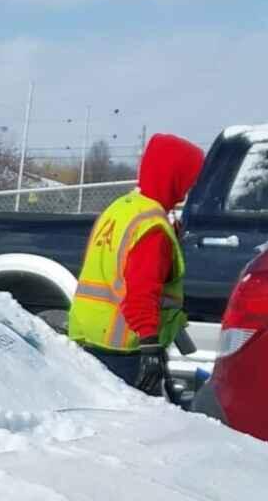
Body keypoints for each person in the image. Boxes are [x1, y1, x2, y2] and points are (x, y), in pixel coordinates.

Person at [67, 132, 205, 395]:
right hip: (125, 351)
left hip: (91, 336)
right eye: (188, 178)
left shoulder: (121, 208)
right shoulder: (151, 228)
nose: (190, 186)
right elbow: (141, 292)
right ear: (173, 175)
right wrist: (150, 347)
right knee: (137, 431)